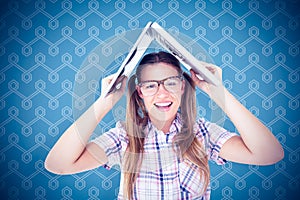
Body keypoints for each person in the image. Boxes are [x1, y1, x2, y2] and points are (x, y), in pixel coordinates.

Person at [45, 51, 284, 199]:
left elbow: (269, 153)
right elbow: (58, 164)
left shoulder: (202, 133)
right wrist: (104, 102)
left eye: (170, 82)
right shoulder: (124, 137)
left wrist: (218, 92)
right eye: (151, 85)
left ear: (182, 86)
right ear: (139, 93)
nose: (162, 93)